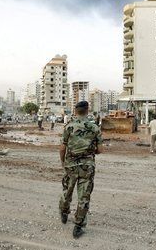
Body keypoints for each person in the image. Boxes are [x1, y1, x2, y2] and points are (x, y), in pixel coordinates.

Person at [59, 101, 103, 238]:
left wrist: (63, 162)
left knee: (67, 190)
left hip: (70, 165)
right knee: (84, 196)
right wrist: (89, 151)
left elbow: (62, 147)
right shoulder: (95, 128)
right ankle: (78, 227)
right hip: (87, 166)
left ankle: (64, 212)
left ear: (75, 110)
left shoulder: (69, 127)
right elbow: (100, 150)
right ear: (87, 110)